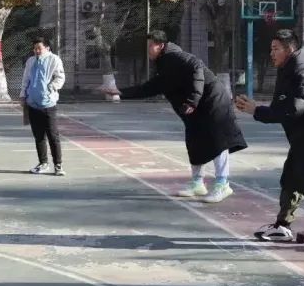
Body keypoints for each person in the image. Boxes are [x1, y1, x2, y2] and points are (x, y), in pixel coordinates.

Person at [234, 28, 304, 252]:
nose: (271, 53)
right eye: (271, 49)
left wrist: (256, 110)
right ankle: (282, 226)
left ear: (289, 50)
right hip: (302, 139)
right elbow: (281, 106)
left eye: (275, 49)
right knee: (291, 180)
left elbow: (292, 109)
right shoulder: (289, 71)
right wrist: (257, 109)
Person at [102, 31, 246, 203]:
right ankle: (197, 183)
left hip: (212, 100)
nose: (148, 49)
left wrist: (193, 100)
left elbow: (197, 66)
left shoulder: (175, 56)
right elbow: (149, 88)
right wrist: (120, 92)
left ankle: (223, 184)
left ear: (161, 45)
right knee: (194, 141)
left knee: (217, 140)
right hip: (196, 106)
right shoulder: (164, 65)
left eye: (151, 46)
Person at [20, 36, 67, 176]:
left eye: (39, 48)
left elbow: (60, 77)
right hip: (32, 104)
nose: (36, 51)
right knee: (38, 136)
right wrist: (23, 95)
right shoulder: (31, 61)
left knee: (53, 135)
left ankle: (58, 165)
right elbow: (26, 79)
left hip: (48, 104)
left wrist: (51, 87)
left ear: (47, 47)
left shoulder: (54, 59)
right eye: (34, 48)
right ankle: (43, 163)